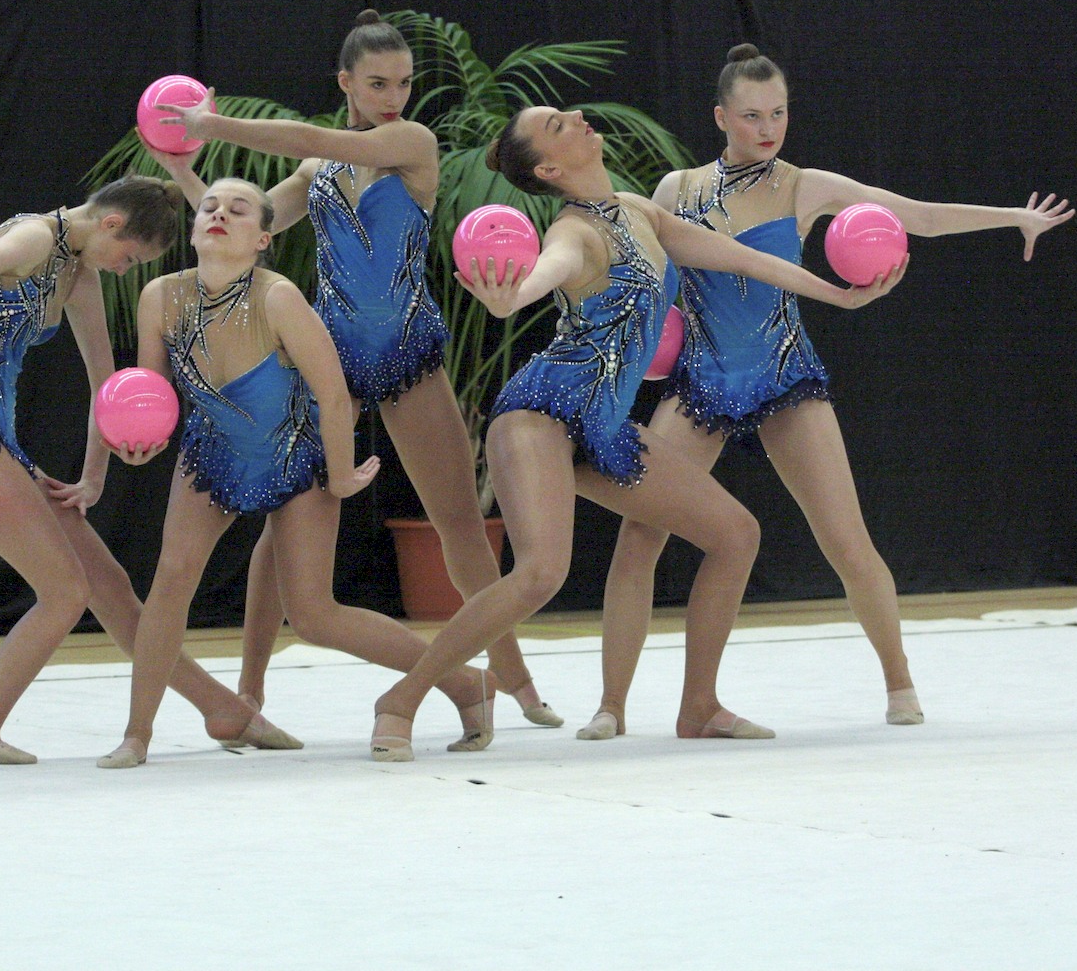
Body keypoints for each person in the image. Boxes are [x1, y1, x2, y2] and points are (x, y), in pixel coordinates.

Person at [364, 105, 907, 760]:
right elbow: (548, 269)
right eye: (557, 125)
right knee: (540, 573)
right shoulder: (574, 232)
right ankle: (403, 698)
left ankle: (699, 706)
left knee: (736, 535)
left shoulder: (640, 212)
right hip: (541, 412)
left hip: (602, 428)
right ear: (549, 169)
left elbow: (740, 259)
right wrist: (513, 296)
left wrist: (838, 295)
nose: (576, 117)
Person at [579, 44, 1075, 741]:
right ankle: (611, 706)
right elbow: (649, 280)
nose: (767, 128)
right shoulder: (675, 190)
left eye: (778, 113)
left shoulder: (804, 186)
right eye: (751, 116)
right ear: (721, 117)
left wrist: (1012, 217)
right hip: (702, 382)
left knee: (847, 540)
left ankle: (900, 682)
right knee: (640, 533)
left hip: (785, 377)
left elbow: (918, 216)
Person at [154, 9, 562, 728]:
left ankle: (515, 680)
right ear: (345, 81)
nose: (394, 97)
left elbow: (315, 138)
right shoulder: (316, 174)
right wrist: (189, 174)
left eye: (403, 82)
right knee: (280, 532)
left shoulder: (412, 143)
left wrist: (214, 126)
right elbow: (248, 228)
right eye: (377, 84)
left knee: (459, 524)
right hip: (326, 363)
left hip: (405, 354)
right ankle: (251, 691)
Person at [0, 175, 298, 764]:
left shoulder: (79, 273)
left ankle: (222, 709)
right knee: (65, 592)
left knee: (109, 586)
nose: (125, 270)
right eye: (130, 257)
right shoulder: (34, 236)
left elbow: (106, 386)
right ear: (111, 224)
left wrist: (94, 478)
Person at [97, 178, 492, 768]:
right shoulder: (160, 296)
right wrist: (140, 442)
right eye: (209, 207)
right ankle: (137, 735)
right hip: (214, 451)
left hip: (296, 451)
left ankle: (463, 683)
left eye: (238, 210)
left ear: (262, 239)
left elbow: (332, 394)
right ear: (194, 228)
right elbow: (155, 394)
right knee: (170, 581)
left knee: (313, 615)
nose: (219, 214)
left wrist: (341, 472)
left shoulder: (278, 297)